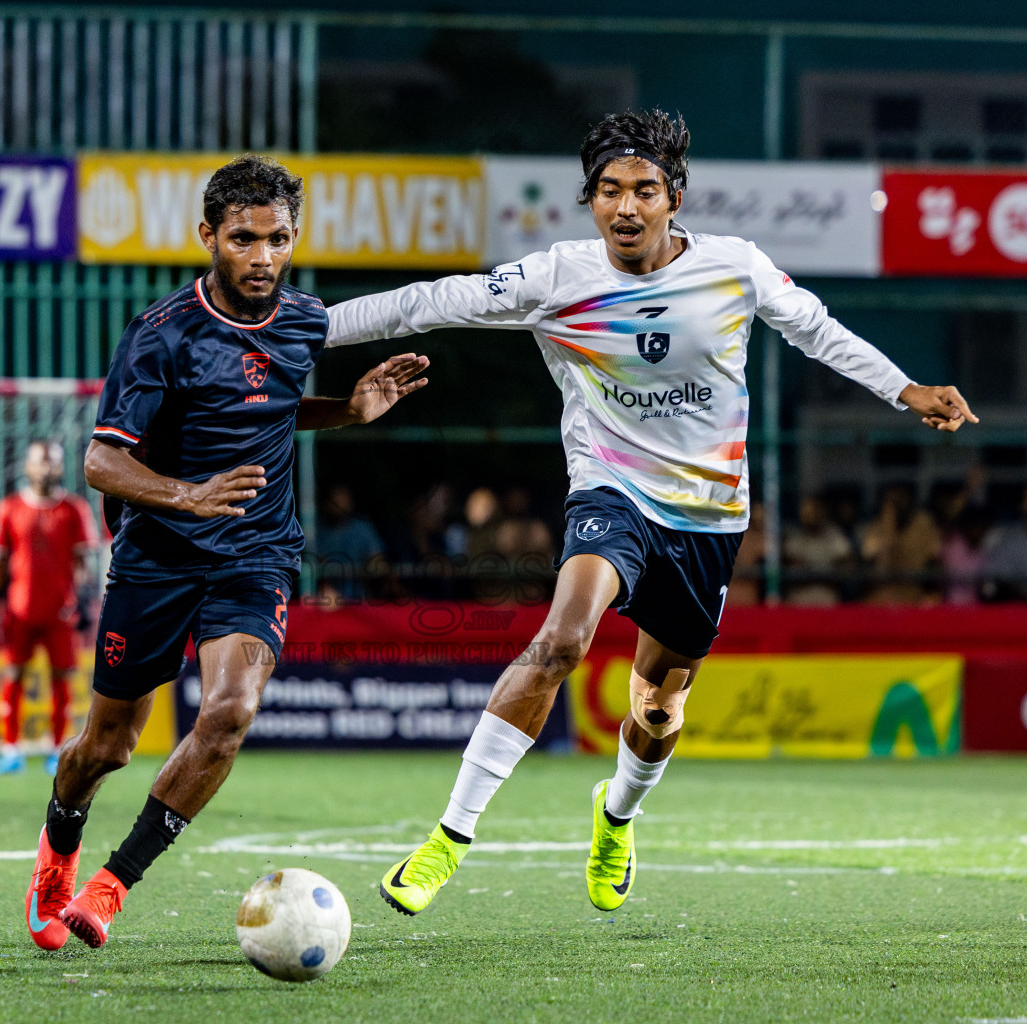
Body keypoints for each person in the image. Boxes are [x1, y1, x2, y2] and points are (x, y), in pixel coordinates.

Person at [325, 109, 977, 916]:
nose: (625, 206)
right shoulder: (557, 279)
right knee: (562, 640)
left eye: (643, 189)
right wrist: (302, 330)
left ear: (675, 198)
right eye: (608, 190)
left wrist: (906, 389)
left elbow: (816, 330)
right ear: (590, 200)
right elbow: (428, 302)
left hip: (708, 519)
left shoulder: (734, 267)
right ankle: (448, 839)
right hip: (612, 494)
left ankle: (617, 815)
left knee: (658, 708)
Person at [23, 154, 430, 953]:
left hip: (256, 552)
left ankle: (111, 886)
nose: (263, 256)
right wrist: (188, 494)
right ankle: (59, 847)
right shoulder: (161, 334)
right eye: (244, 239)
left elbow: (269, 407)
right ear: (209, 235)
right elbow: (101, 461)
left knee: (231, 710)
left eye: (278, 239)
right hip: (158, 554)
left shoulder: (304, 320)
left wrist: (347, 411)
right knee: (107, 746)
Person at [0, 440, 99, 777]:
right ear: (26, 466)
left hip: (61, 612)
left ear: (61, 467)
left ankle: (56, 750)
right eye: (39, 461)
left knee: (62, 681)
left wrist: (86, 601)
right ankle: (11, 750)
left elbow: (84, 561)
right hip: (19, 611)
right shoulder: (9, 507)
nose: (45, 468)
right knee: (12, 676)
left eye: (52, 461)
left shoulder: (74, 509)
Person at [858, 483, 942, 605]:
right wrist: (889, 525)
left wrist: (930, 593)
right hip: (883, 597)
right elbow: (880, 567)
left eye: (902, 498)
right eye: (892, 501)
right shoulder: (876, 528)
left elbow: (934, 563)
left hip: (915, 595)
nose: (898, 504)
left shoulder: (924, 524)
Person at [782, 494, 854, 606]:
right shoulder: (795, 536)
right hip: (799, 603)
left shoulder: (834, 535)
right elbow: (790, 563)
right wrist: (822, 569)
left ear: (822, 511)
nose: (810, 516)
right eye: (806, 512)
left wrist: (817, 570)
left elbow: (847, 563)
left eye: (814, 511)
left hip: (827, 602)